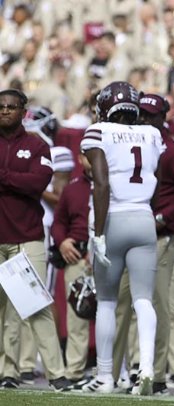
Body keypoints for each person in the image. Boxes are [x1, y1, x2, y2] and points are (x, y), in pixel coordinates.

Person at [81, 81, 165, 395]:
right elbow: (155, 180)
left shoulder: (97, 131)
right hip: (143, 217)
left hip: (112, 217)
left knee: (106, 301)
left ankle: (105, 377)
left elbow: (100, 184)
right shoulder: (153, 134)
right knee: (143, 299)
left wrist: (99, 234)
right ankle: (146, 368)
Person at [112, 92, 174, 395]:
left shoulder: (171, 150)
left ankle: (157, 373)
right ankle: (128, 367)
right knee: (128, 303)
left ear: (163, 118)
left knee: (157, 303)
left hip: (162, 233)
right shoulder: (138, 144)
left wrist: (160, 219)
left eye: (150, 116)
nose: (144, 120)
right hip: (138, 231)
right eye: (141, 115)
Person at [0, 88, 72, 392]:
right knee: (4, 311)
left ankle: (57, 374)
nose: (4, 111)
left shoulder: (37, 145)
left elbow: (37, 183)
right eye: (0, 107)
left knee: (35, 305)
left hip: (26, 237)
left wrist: (2, 176)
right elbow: (25, 181)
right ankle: (8, 372)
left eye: (11, 107)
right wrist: (14, 177)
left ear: (23, 111)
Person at [20, 105, 75, 383]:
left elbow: (62, 195)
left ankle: (40, 358)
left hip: (44, 227)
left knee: (40, 294)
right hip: (17, 225)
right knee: (15, 294)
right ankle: (20, 359)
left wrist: (27, 183)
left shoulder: (58, 153)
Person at [50, 152, 93, 388]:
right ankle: (75, 371)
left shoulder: (117, 185)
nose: (91, 159)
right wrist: (63, 241)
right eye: (86, 155)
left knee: (121, 313)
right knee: (77, 316)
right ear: (80, 158)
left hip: (108, 255)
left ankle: (124, 369)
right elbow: (59, 221)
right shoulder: (73, 188)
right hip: (77, 255)